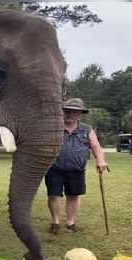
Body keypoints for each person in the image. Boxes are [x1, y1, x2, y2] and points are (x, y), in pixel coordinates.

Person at [45, 98, 109, 234]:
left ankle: (70, 223)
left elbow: (96, 146)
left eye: (74, 112)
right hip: (54, 168)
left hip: (77, 170)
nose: (69, 114)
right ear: (62, 112)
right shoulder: (53, 127)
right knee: (53, 195)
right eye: (67, 111)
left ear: (80, 114)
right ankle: (55, 222)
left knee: (73, 196)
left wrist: (101, 160)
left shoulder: (87, 129)